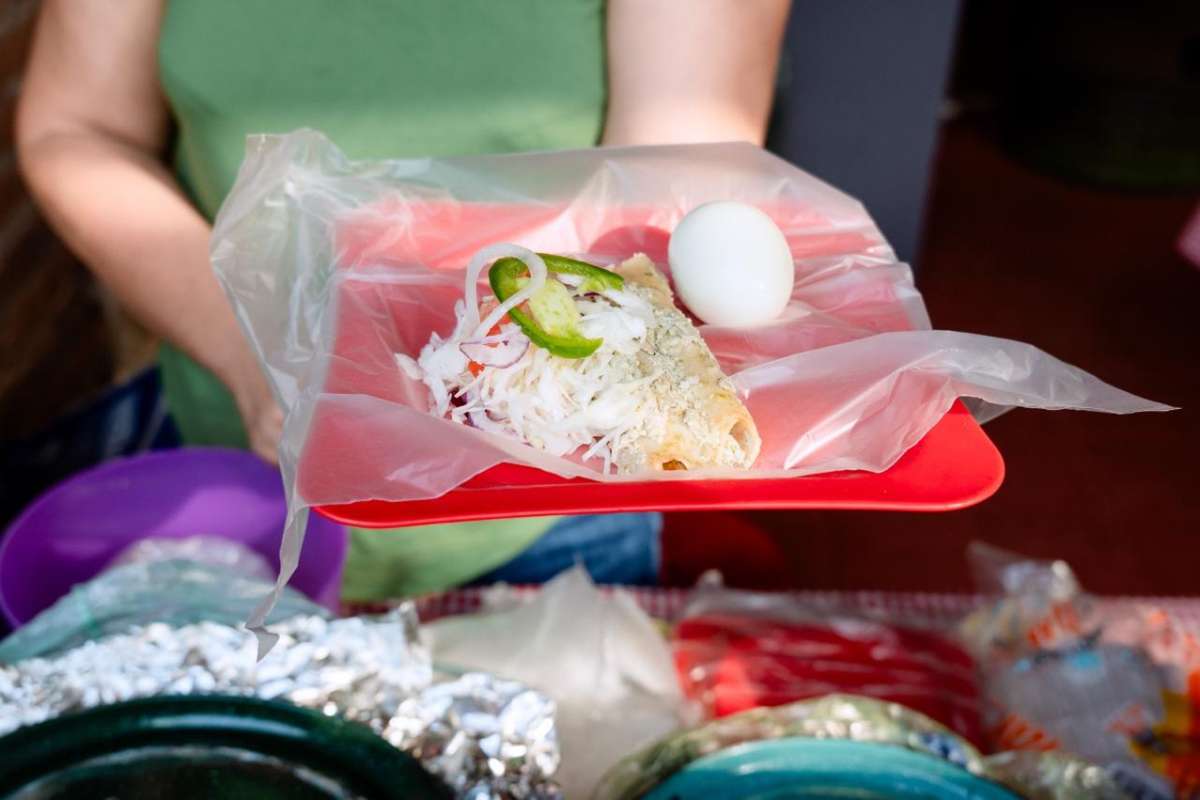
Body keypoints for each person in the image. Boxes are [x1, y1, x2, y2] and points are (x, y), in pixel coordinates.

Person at [16, 0, 789, 600]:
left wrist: (496, 369)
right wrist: (249, 345)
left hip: (548, 493)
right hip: (232, 472)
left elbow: (671, 169)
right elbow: (78, 125)